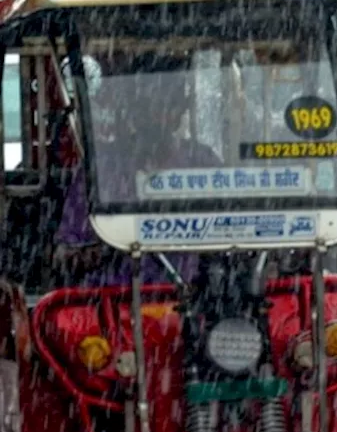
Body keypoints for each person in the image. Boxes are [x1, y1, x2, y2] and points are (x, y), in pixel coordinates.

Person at [54, 53, 221, 287]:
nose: (157, 115)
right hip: (113, 308)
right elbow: (63, 257)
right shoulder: (100, 169)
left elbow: (241, 235)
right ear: (132, 106)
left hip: (189, 305)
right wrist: (113, 245)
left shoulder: (204, 163)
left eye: (167, 103)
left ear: (182, 108)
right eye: (147, 103)